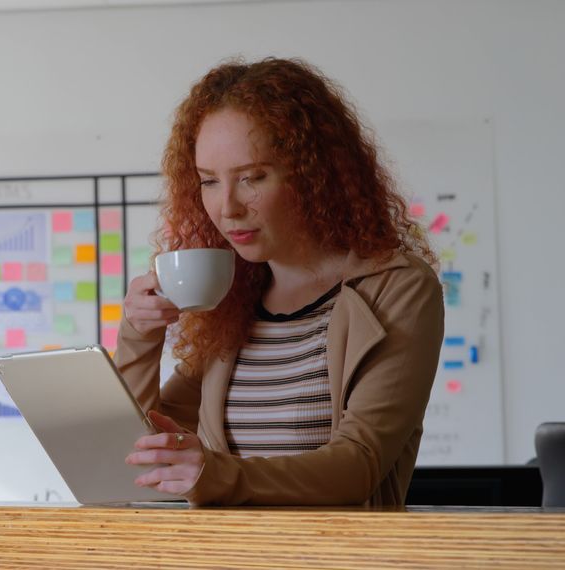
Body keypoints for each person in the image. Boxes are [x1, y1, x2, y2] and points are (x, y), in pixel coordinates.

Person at [118, 57, 444, 506]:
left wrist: (216, 476)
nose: (227, 207)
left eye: (252, 177)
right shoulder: (230, 300)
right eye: (209, 181)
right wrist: (139, 335)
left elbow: (359, 464)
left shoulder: (397, 287)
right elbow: (138, 451)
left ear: (314, 174)